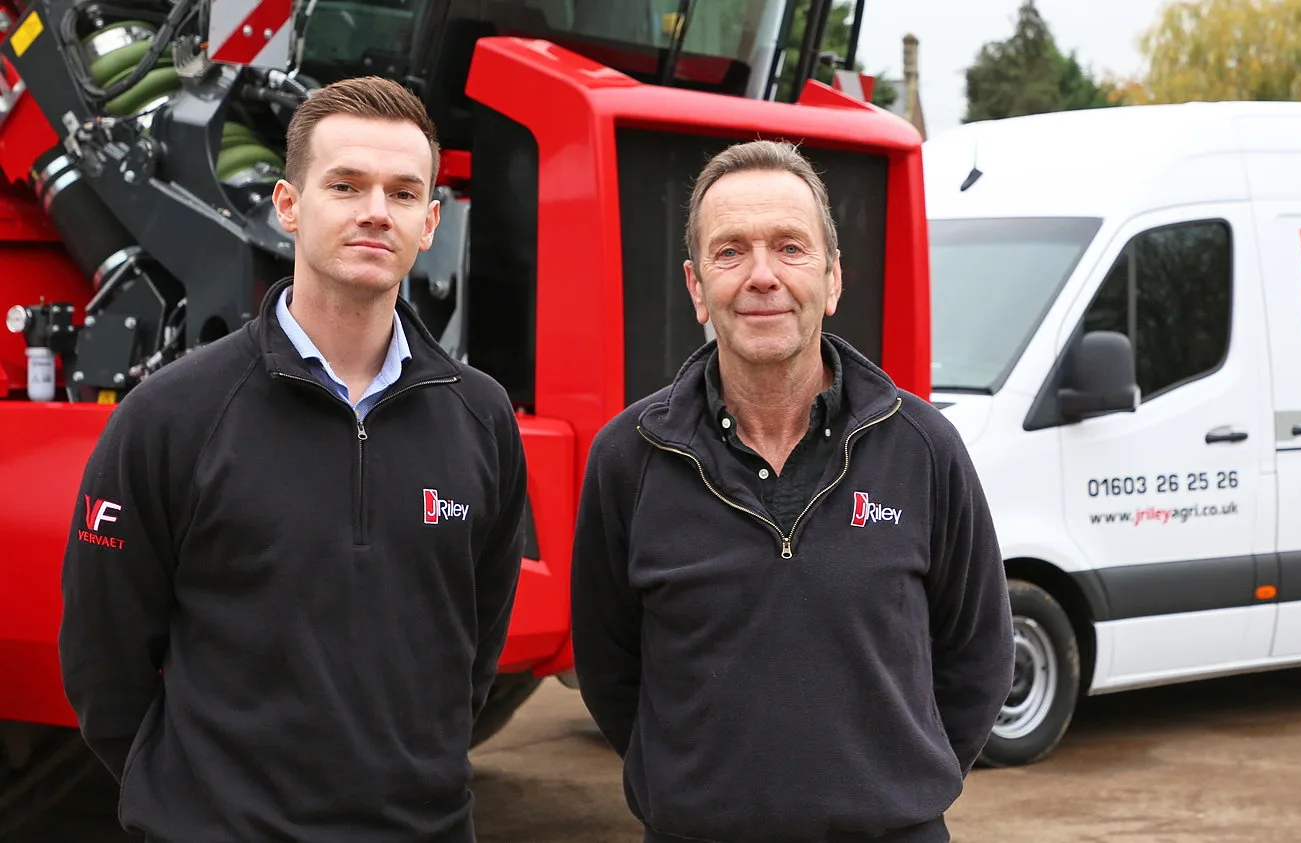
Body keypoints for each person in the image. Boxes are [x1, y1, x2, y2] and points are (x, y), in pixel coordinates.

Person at [58, 76, 529, 843]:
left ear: (430, 222)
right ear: (287, 205)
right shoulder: (173, 416)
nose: (376, 211)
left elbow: (471, 654)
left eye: (404, 193)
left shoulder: (481, 416)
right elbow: (104, 663)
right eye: (345, 185)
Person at [570, 139, 1014, 843]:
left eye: (790, 247)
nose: (762, 275)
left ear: (834, 278)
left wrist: (894, 791)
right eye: (730, 251)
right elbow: (610, 668)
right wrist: (694, 793)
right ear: (695, 287)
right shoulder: (629, 459)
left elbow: (980, 654)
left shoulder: (924, 449)